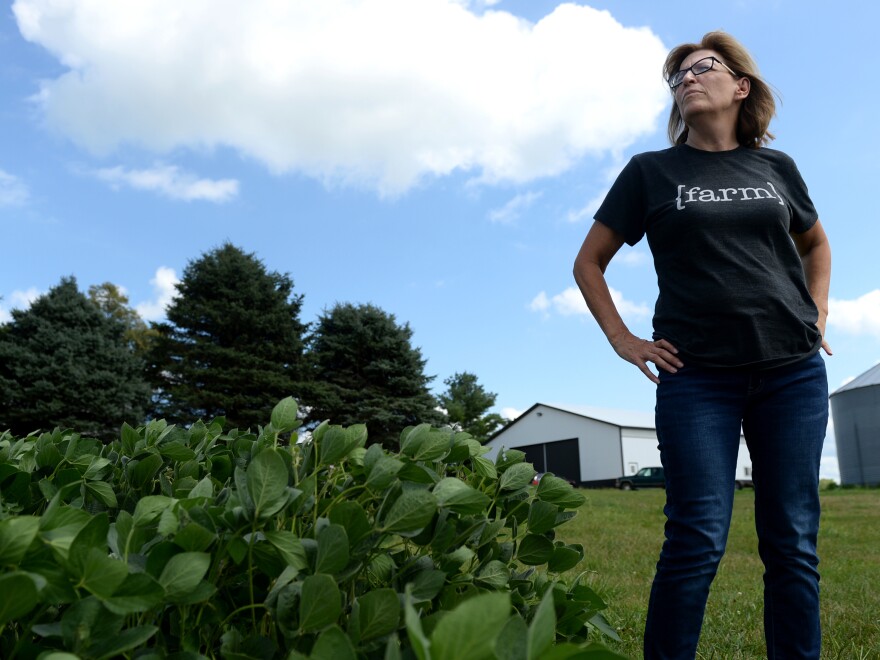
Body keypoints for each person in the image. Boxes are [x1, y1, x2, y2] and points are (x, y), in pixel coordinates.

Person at [572, 31, 831, 659]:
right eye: (678, 75)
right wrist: (624, 339)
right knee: (696, 536)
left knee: (792, 539)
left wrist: (817, 316)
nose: (687, 79)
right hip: (697, 378)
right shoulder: (652, 173)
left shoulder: (777, 169)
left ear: (740, 86)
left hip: (792, 372)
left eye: (702, 68)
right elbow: (588, 262)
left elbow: (816, 245)